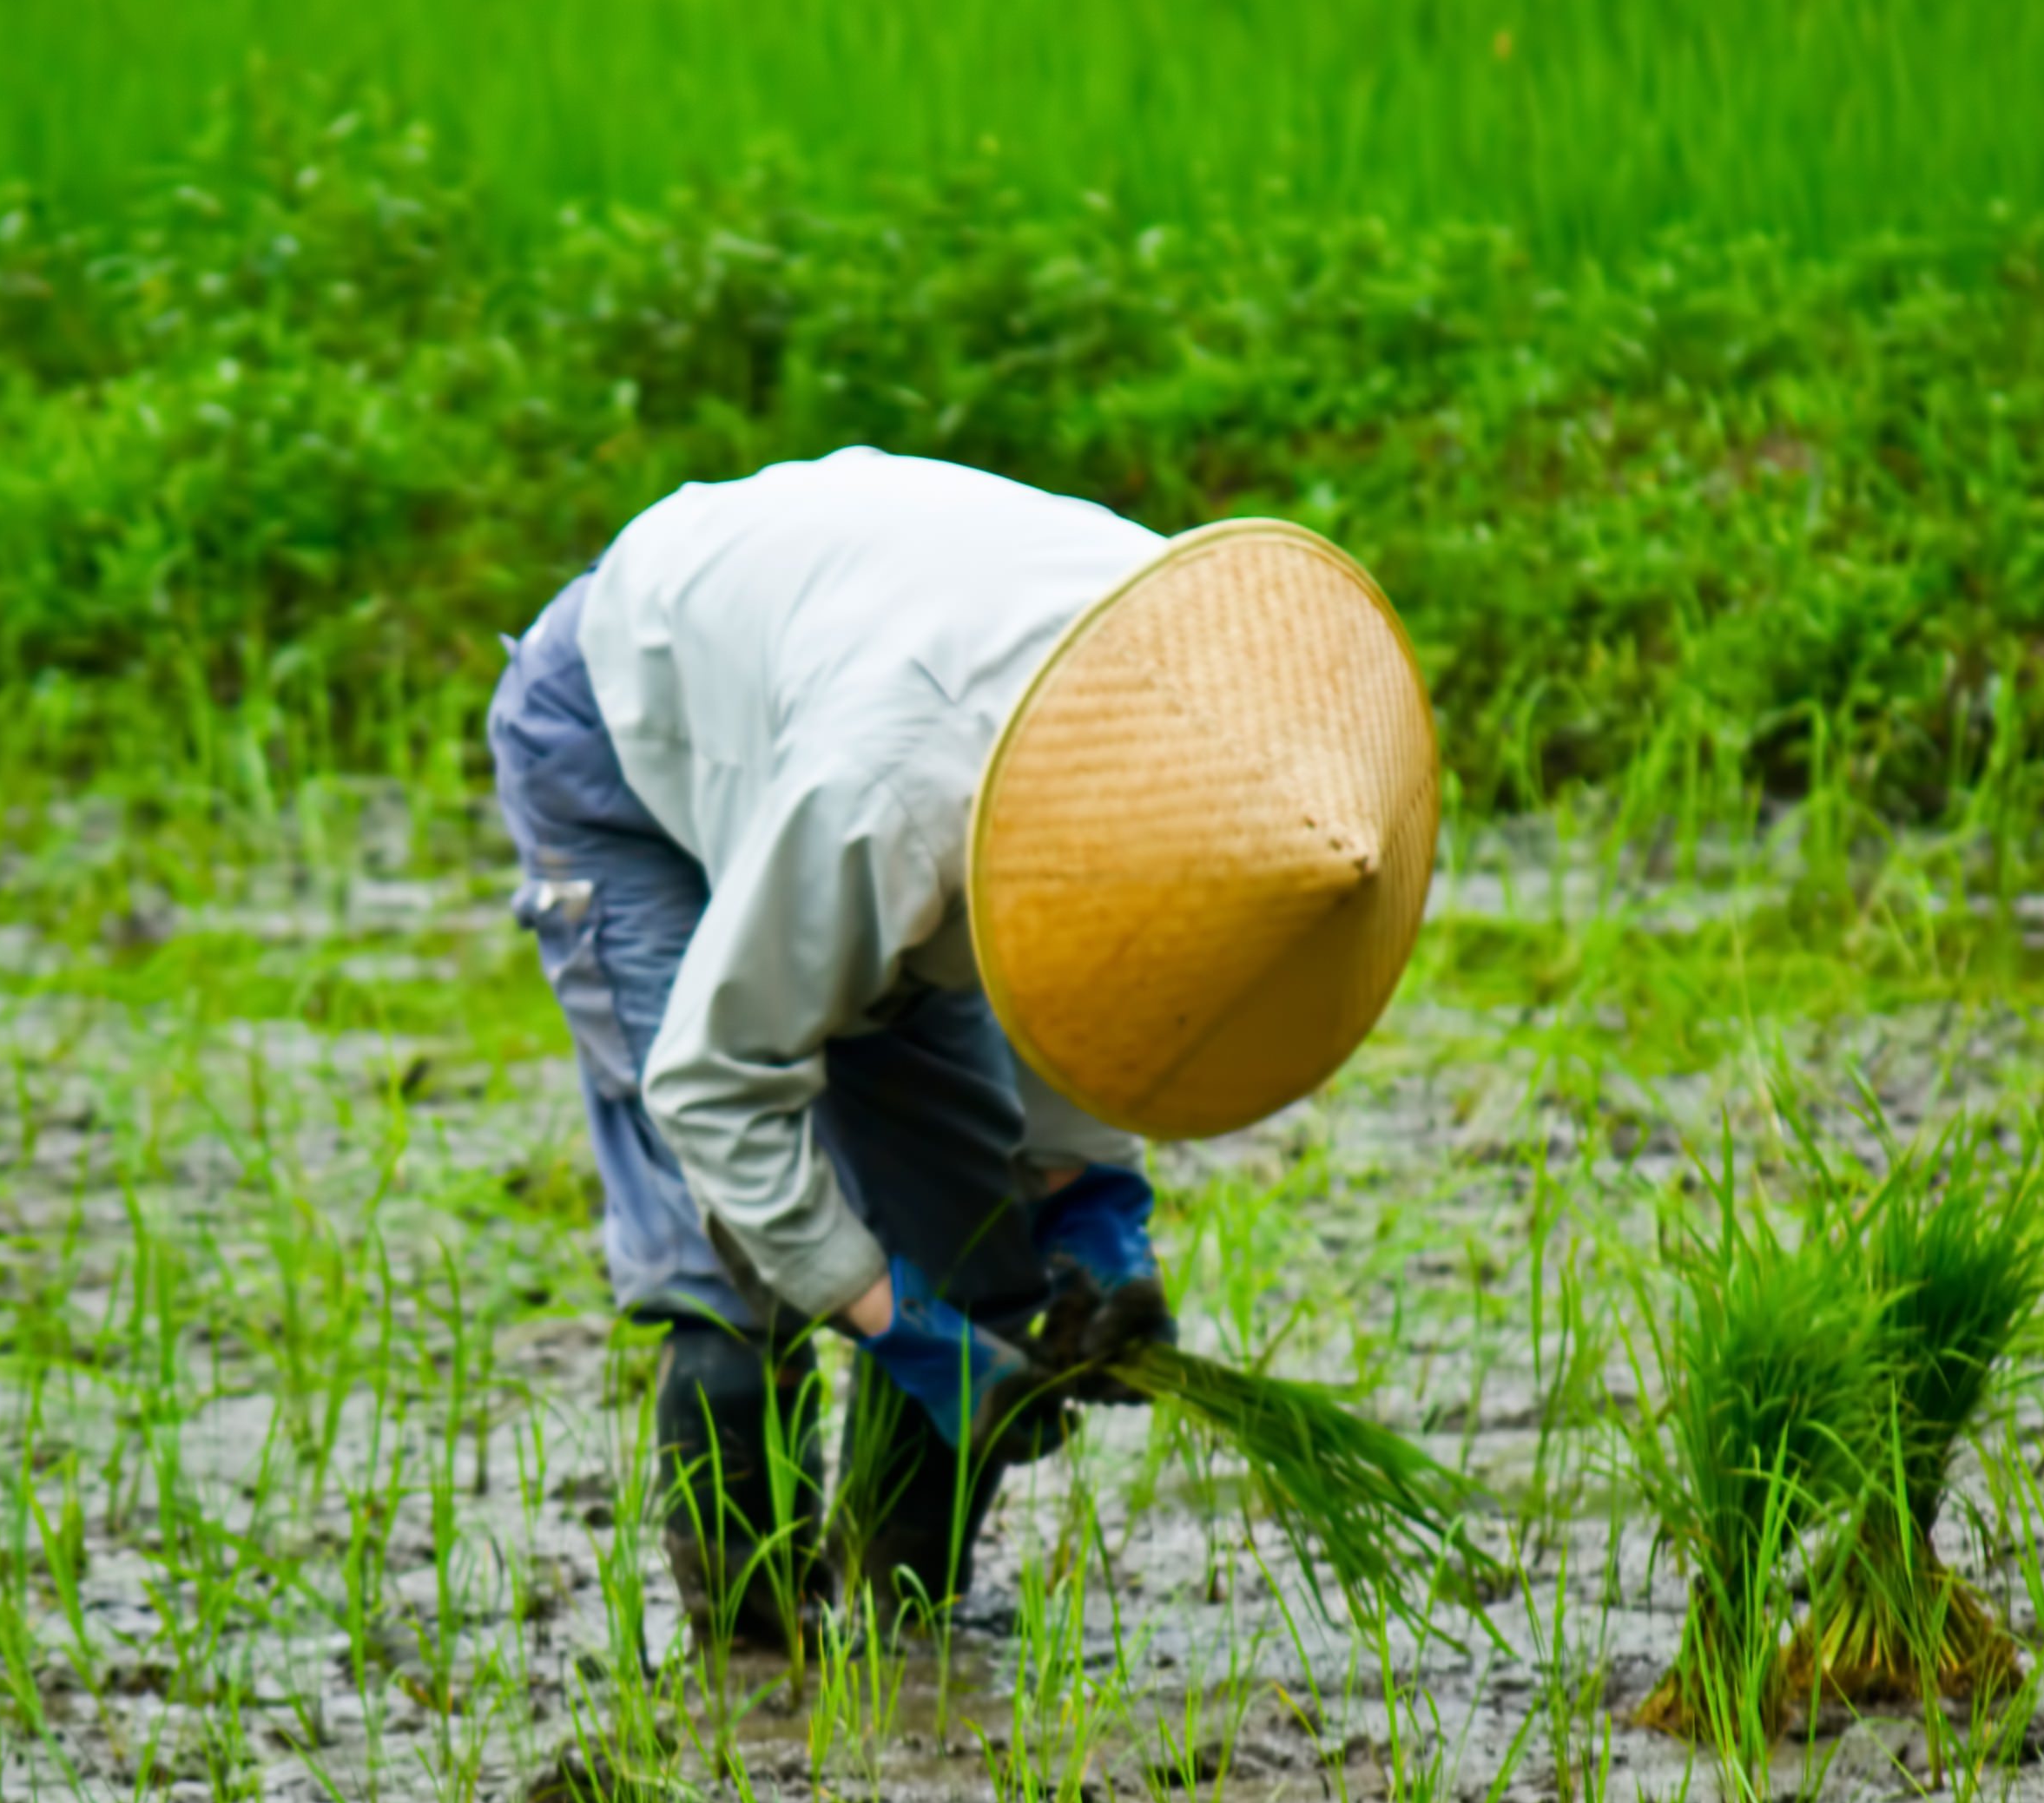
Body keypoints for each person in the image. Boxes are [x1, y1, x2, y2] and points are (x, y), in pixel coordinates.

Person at [486, 448, 1438, 1654]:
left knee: (981, 1247)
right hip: (630, 735)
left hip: (859, 702)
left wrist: (1091, 1203)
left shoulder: (1207, 713)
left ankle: (907, 1633)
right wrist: (895, 1323)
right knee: (733, 1271)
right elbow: (713, 1083)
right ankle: (760, 1664)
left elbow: (1102, 962)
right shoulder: (889, 801)